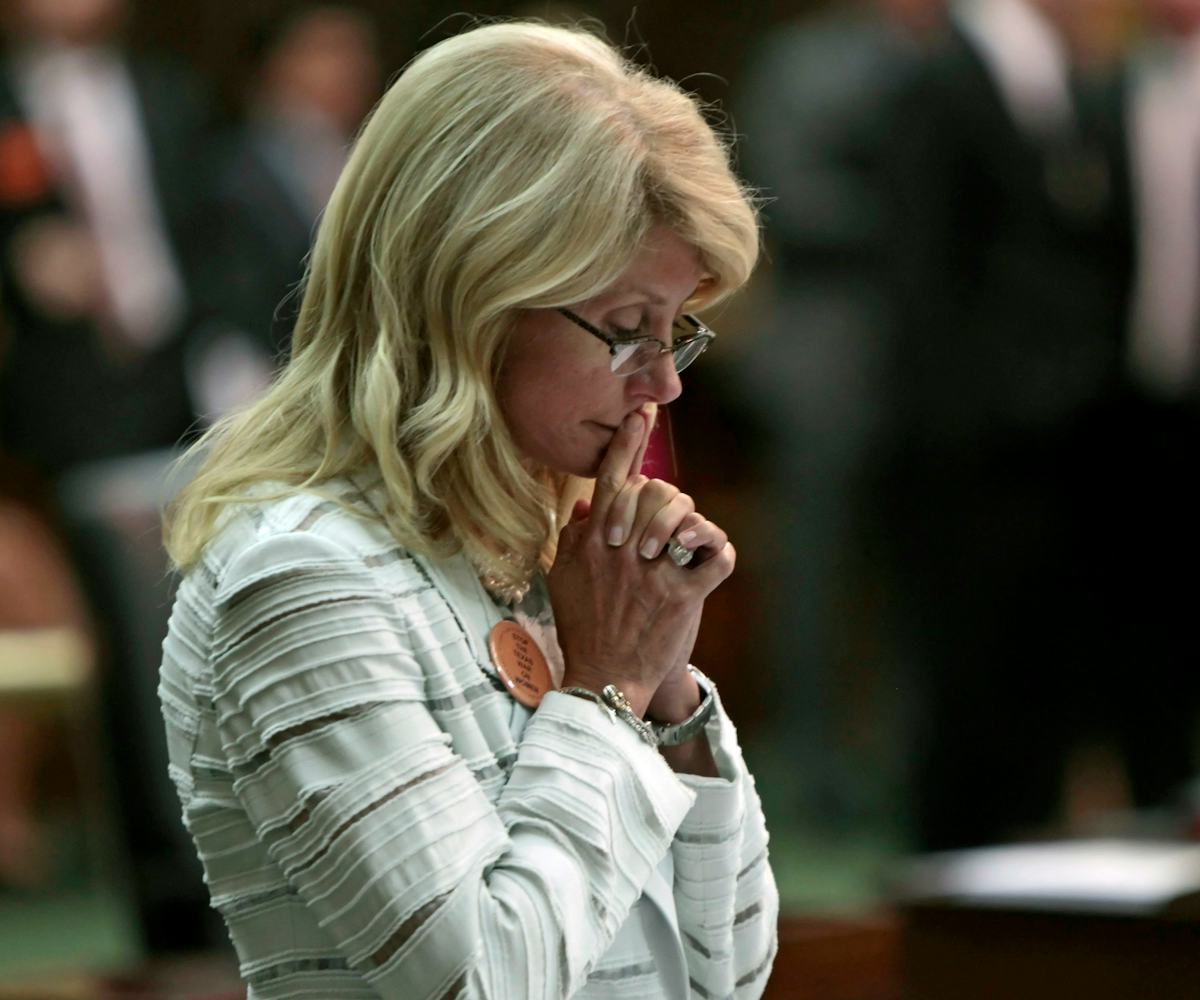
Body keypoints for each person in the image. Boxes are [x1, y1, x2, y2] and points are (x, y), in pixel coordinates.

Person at [159, 21, 777, 999]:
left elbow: (725, 974)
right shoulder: (300, 577)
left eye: (676, 332)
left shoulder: (560, 552)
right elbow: (488, 982)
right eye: (625, 330)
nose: (664, 383)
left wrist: (667, 697)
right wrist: (609, 692)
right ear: (471, 294)